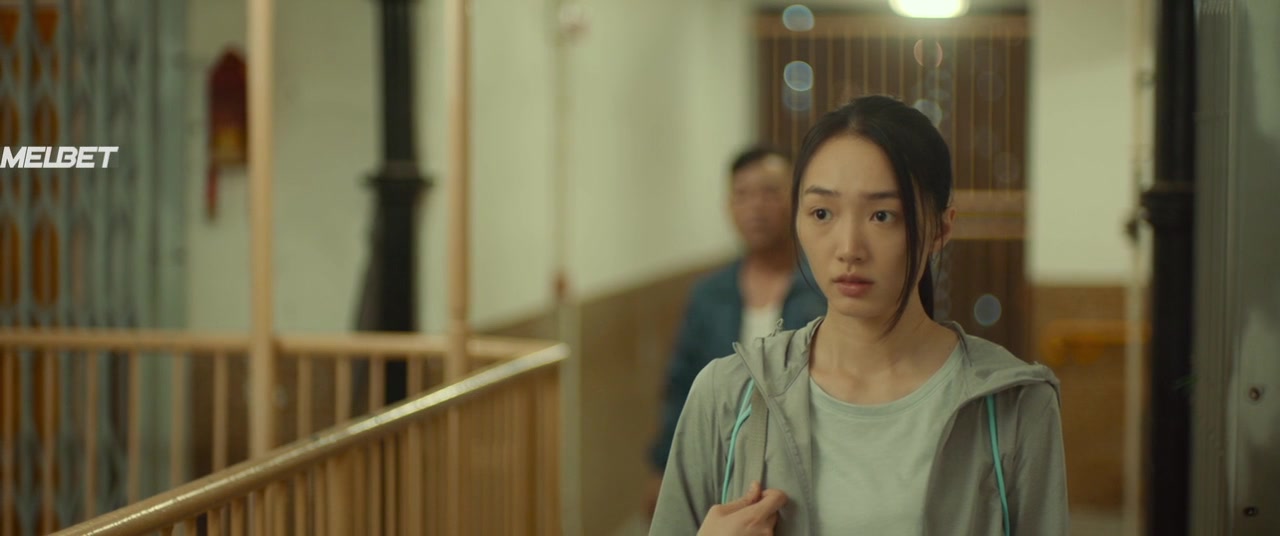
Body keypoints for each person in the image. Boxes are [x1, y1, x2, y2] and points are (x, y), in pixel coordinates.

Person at [650, 96, 1069, 535]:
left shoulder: (1014, 405)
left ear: (941, 228)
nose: (848, 247)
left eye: (882, 215)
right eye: (822, 213)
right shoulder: (727, 394)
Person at [645, 145, 827, 515]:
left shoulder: (822, 288)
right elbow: (682, 385)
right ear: (729, 206)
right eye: (742, 194)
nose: (755, 207)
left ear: (797, 200)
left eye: (769, 192)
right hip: (722, 462)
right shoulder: (709, 295)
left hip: (807, 466)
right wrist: (663, 467)